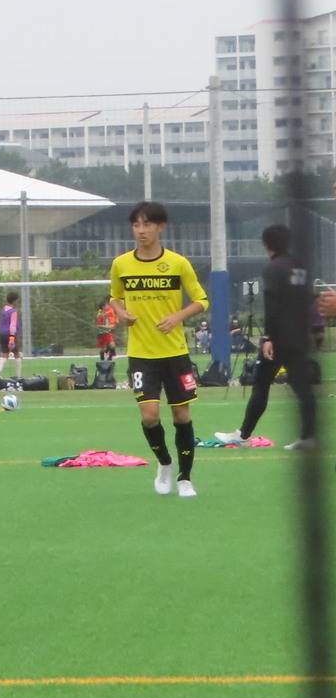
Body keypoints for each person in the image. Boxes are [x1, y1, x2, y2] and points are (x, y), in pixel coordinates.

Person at [111, 201, 209, 497]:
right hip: (141, 354)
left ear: (160, 226)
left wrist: (178, 316)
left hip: (175, 353)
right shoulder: (122, 264)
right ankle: (165, 463)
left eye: (147, 224)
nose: (141, 230)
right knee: (150, 416)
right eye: (136, 225)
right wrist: (121, 313)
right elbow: (115, 297)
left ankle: (185, 478)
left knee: (182, 416)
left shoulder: (178, 263)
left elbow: (201, 300)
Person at [216, 224, 319, 450]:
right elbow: (309, 300)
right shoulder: (301, 266)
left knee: (261, 385)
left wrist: (269, 336)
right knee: (302, 387)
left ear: (266, 244)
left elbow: (273, 304)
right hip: (300, 335)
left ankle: (242, 436)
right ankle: (308, 437)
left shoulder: (274, 268)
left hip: (280, 337)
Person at [0, 293, 21, 379]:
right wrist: (12, 337)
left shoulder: (3, 310)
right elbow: (12, 325)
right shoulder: (13, 311)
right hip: (10, 335)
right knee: (16, 354)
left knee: (5, 354)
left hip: (2, 334)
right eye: (17, 300)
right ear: (14, 301)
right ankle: (19, 376)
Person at [95, 298, 120, 363]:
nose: (108, 306)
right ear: (103, 307)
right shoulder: (100, 315)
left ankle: (110, 358)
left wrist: (111, 326)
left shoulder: (106, 314)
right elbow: (99, 325)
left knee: (112, 345)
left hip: (108, 332)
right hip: (102, 333)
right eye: (107, 305)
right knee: (102, 348)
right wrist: (107, 327)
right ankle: (102, 360)